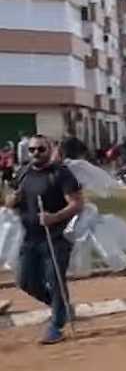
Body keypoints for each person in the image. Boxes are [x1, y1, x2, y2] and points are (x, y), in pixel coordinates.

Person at [3, 134, 84, 344]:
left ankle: (56, 326)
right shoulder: (23, 172)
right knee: (25, 280)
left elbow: (76, 203)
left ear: (49, 150)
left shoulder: (61, 174)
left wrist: (54, 217)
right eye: (32, 150)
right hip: (29, 237)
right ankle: (62, 308)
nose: (36, 153)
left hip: (55, 237)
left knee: (55, 280)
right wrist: (12, 200)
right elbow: (10, 198)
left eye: (41, 149)